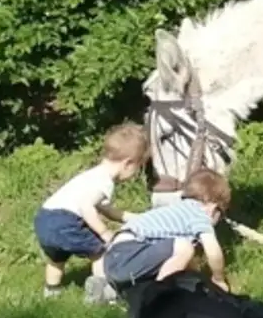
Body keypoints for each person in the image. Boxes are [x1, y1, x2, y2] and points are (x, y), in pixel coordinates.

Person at [33, 123, 149, 299]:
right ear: (128, 163)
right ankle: (100, 292)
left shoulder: (93, 175)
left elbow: (105, 209)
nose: (135, 174)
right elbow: (86, 207)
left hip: (44, 218)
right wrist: (104, 232)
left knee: (56, 259)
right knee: (100, 252)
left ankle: (51, 291)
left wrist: (132, 217)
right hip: (64, 221)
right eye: (138, 168)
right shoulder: (104, 182)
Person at [89, 169, 233, 305]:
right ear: (213, 207)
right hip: (130, 253)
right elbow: (212, 250)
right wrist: (218, 279)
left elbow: (183, 263)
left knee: (180, 257)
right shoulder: (199, 213)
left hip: (112, 258)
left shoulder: (175, 210)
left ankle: (109, 290)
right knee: (184, 247)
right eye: (220, 215)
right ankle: (158, 297)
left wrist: (198, 277)